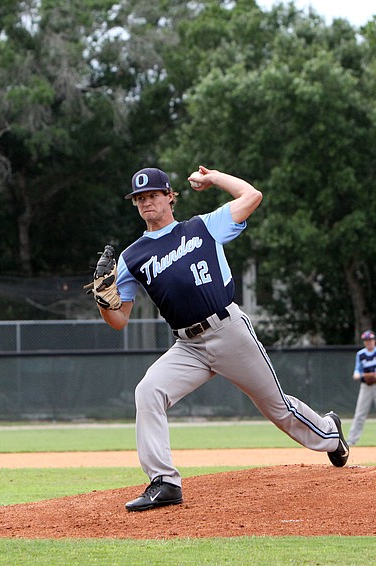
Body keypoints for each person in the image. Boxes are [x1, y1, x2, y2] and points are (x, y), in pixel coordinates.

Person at [95, 165, 349, 512]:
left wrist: (213, 178)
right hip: (188, 346)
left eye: (153, 194)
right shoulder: (132, 257)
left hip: (228, 332)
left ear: (170, 196)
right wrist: (102, 301)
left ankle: (329, 433)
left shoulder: (202, 226)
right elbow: (119, 320)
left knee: (278, 409)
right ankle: (165, 482)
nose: (146, 202)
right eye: (139, 198)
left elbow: (252, 196)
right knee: (148, 391)